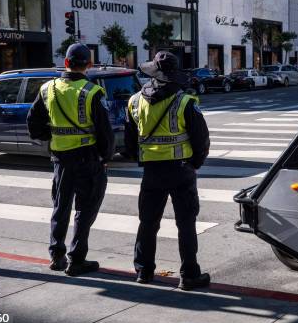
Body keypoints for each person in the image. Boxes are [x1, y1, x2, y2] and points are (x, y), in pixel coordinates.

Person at [125, 51, 210, 291]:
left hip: (151, 172)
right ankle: (189, 275)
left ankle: (143, 271)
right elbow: (201, 141)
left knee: (148, 223)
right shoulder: (186, 102)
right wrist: (194, 165)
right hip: (181, 170)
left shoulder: (134, 101)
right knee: (186, 224)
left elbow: (130, 144)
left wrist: (145, 159)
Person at [27, 43, 114, 276]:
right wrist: (106, 157)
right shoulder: (93, 92)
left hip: (61, 159)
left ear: (65, 63)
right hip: (88, 160)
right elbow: (105, 132)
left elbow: (33, 125)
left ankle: (56, 256)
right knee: (85, 210)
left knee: (60, 207)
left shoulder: (47, 89)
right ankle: (76, 259)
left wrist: (52, 135)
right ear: (89, 65)